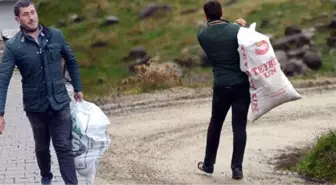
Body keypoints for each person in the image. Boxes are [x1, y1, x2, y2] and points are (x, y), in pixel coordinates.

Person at [0, 0, 83, 184]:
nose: (31, 17)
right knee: (42, 147)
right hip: (35, 108)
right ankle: (46, 176)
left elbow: (71, 60)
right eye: (25, 14)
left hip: (60, 103)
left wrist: (78, 88)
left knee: (64, 147)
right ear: (17, 19)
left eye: (32, 12)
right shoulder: (14, 46)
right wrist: (0, 112)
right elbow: (3, 79)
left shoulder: (56, 36)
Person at [196, 1, 250, 180]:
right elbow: (245, 43)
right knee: (239, 126)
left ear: (205, 16)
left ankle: (208, 164)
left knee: (216, 124)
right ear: (221, 12)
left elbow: (219, 36)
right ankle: (237, 168)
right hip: (241, 85)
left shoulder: (202, 35)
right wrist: (241, 27)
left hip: (220, 85)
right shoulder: (237, 30)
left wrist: (234, 26)